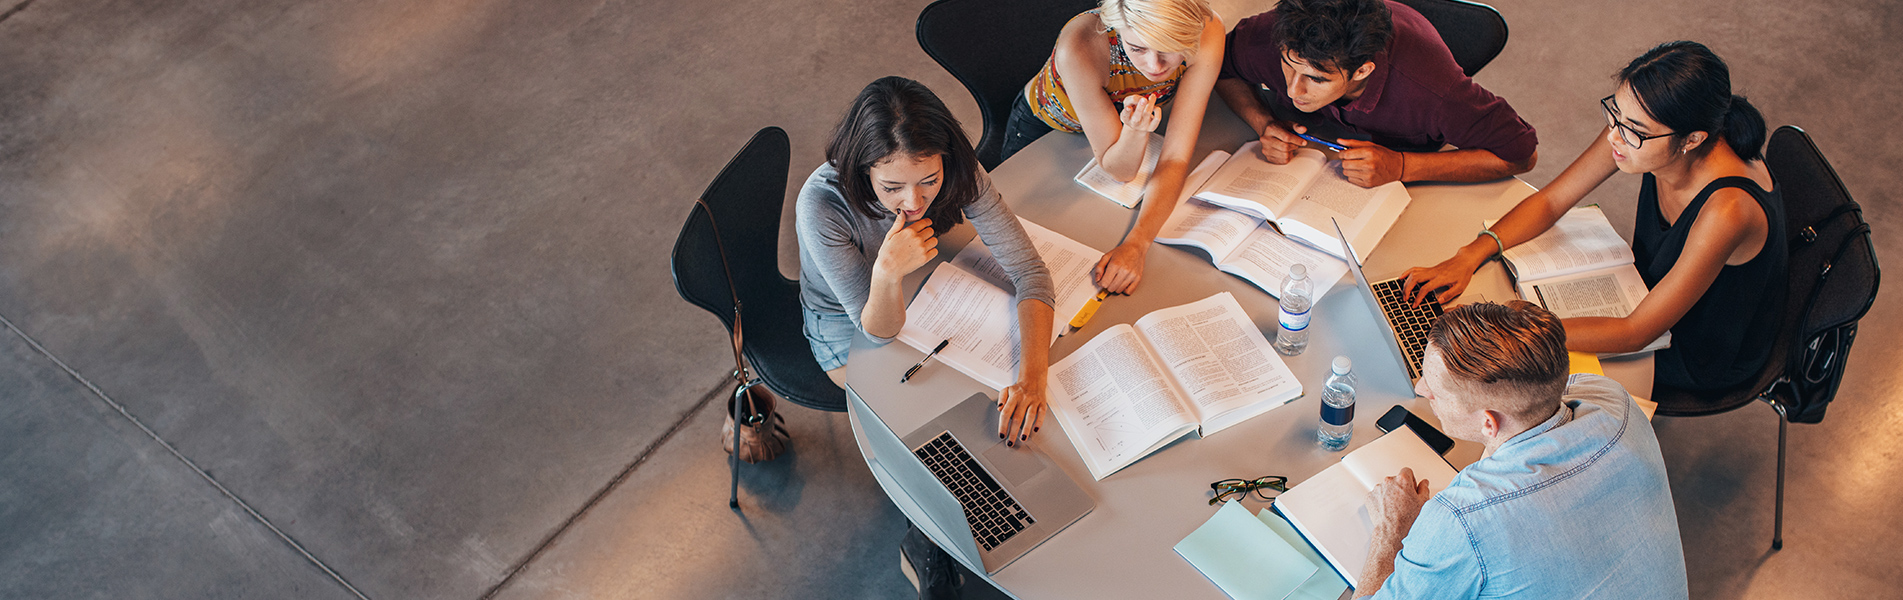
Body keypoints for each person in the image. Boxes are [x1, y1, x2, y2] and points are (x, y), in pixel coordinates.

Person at [796, 77, 1057, 599]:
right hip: (849, 325)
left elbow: (1031, 272)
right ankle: (926, 540)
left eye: (928, 182)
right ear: (861, 168)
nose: (913, 202)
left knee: (992, 404)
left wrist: (1032, 377)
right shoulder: (822, 205)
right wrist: (888, 274)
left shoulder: (957, 170)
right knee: (923, 426)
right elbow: (875, 329)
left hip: (935, 289)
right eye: (891, 188)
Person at [1401, 41, 1784, 392]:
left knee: (1512, 381)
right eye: (1615, 114)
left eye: (1633, 130)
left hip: (1695, 345)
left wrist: (1516, 326)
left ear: (1692, 139)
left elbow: (1638, 332)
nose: (1615, 137)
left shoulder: (1728, 210)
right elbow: (1553, 201)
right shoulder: (1641, 129)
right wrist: (1471, 253)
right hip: (1647, 291)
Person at [1355, 301, 1687, 599]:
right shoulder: (1612, 398)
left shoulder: (1460, 521)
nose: (1420, 387)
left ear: (1489, 423)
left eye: (1434, 390)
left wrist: (1392, 532)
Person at [1002, 0, 1225, 294]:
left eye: (1168, 48)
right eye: (1138, 49)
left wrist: (1139, 242)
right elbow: (1120, 170)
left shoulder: (1207, 32)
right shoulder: (1080, 45)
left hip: (1127, 119)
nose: (1154, 66)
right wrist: (1134, 131)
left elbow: (1175, 156)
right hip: (1048, 131)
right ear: (1116, 29)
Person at [1215, 0, 1538, 188]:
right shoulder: (1270, 35)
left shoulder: (1434, 91)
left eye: (1316, 79)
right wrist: (1263, 123)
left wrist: (1402, 167)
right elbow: (1221, 69)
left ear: (1362, 71)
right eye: (1288, 66)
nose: (1292, 89)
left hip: (1395, 170)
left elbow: (1521, 155)